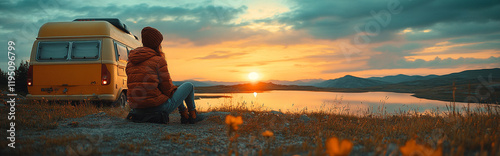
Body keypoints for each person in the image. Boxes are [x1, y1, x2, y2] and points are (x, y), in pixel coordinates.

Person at [125, 26, 200, 124]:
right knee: (188, 86)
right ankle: (193, 115)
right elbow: (168, 90)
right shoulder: (158, 60)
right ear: (157, 44)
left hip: (137, 110)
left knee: (173, 89)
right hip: (157, 109)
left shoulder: (130, 61)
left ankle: (185, 115)